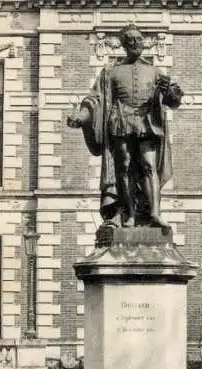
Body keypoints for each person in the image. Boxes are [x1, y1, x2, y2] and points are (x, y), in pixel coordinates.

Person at [67, 24, 183, 228]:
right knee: (124, 167)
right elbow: (96, 100)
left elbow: (172, 101)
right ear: (123, 44)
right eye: (130, 39)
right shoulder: (110, 72)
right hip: (119, 121)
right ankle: (128, 214)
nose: (135, 42)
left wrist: (172, 93)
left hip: (147, 123)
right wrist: (81, 116)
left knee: (149, 165)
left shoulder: (155, 72)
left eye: (139, 39)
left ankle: (154, 213)